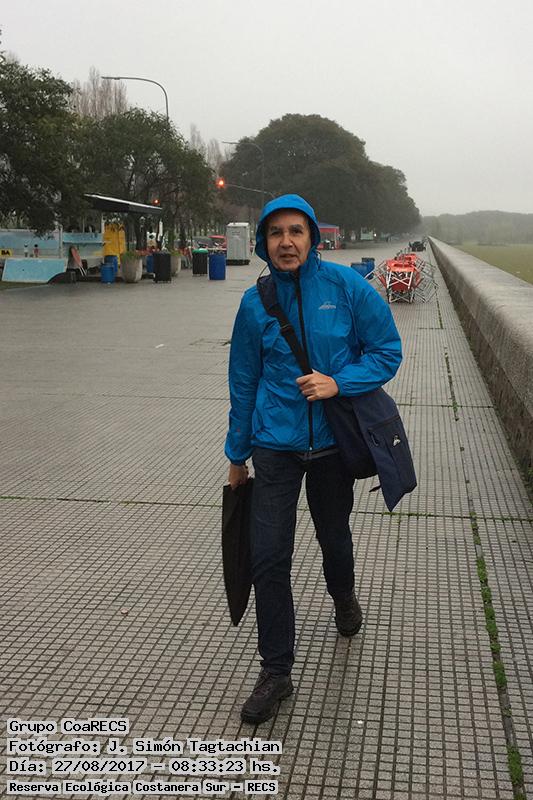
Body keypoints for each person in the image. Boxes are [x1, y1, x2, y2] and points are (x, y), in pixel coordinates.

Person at [225, 194, 402, 724]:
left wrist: (337, 382)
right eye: (275, 233)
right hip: (273, 446)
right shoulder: (254, 303)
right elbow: (244, 381)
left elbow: (387, 351)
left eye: (295, 231)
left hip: (332, 446)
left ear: (312, 238)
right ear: (264, 242)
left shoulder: (347, 287)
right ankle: (276, 670)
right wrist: (237, 454)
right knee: (268, 557)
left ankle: (343, 595)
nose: (286, 242)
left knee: (333, 536)